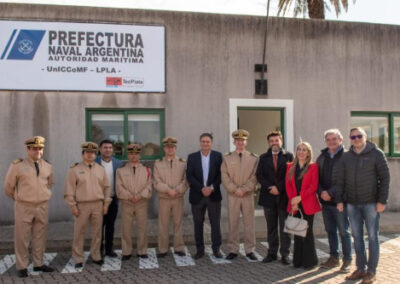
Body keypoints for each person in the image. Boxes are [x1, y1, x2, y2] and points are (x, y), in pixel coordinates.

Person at [336, 127, 390, 284]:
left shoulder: (376, 154)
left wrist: (382, 201)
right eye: (353, 137)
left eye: (359, 136)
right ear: (349, 139)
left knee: (373, 237)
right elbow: (340, 180)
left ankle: (371, 272)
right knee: (357, 237)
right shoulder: (346, 157)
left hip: (371, 203)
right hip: (352, 204)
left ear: (365, 137)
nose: (356, 139)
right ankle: (360, 268)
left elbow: (385, 178)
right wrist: (339, 200)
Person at [4, 136, 54, 278]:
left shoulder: (47, 166)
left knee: (40, 236)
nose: (38, 151)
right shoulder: (17, 165)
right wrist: (20, 198)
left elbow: (50, 183)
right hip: (24, 206)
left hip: (42, 206)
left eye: (40, 148)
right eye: (34, 148)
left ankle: (39, 264)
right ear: (28, 150)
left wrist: (44, 195)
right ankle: (22, 266)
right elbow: (8, 187)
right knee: (22, 237)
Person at [64, 142, 111, 268]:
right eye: (88, 152)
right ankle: (78, 258)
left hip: (98, 204)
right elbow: (69, 190)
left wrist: (106, 204)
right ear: (83, 154)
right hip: (82, 205)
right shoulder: (75, 169)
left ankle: (96, 255)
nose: (90, 155)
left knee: (97, 233)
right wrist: (73, 206)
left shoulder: (101, 169)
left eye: (93, 153)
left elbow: (107, 188)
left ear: (96, 154)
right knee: (79, 233)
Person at [316, 129, 352, 272]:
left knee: (344, 232)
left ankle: (347, 260)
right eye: (328, 139)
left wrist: (330, 193)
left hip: (340, 202)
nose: (331, 142)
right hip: (326, 202)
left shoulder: (348, 156)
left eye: (334, 139)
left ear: (340, 140)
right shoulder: (322, 156)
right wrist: (321, 192)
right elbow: (315, 178)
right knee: (330, 231)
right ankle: (334, 258)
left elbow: (347, 180)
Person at [256, 131, 293, 265]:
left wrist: (279, 187)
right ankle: (272, 253)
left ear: (281, 141)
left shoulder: (289, 156)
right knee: (271, 228)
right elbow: (259, 175)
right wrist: (270, 187)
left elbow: (290, 175)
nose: (274, 143)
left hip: (284, 197)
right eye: (271, 141)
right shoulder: (263, 157)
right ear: (269, 143)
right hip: (268, 197)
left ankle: (285, 255)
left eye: (276, 140)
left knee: (285, 228)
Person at [221, 129, 258, 260]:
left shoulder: (253, 158)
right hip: (233, 195)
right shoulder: (227, 157)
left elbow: (255, 177)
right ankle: (233, 249)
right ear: (234, 142)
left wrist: (245, 189)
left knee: (249, 223)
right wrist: (234, 189)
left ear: (246, 142)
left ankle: (250, 249)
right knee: (233, 222)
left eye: (242, 140)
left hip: (247, 195)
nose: (240, 142)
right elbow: (224, 176)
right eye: (237, 140)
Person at [186, 133, 223, 259]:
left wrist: (211, 187)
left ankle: (216, 249)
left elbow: (221, 175)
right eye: (203, 141)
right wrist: (201, 188)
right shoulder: (192, 157)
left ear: (211, 143)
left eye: (207, 141)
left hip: (213, 195)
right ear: (200, 142)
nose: (205, 143)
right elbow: (189, 176)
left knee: (215, 223)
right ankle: (200, 250)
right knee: (198, 223)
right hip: (197, 195)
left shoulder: (218, 156)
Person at [286, 141, 321, 269]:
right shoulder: (290, 166)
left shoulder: (313, 167)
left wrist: (300, 198)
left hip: (307, 203)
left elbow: (313, 186)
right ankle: (298, 261)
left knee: (307, 232)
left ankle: (309, 262)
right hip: (294, 203)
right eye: (299, 149)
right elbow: (288, 185)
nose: (301, 152)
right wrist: (293, 201)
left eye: (304, 150)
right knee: (297, 232)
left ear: (308, 153)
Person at [116, 144, 152, 260]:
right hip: (127, 203)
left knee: (142, 227)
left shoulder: (147, 170)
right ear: (128, 155)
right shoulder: (121, 171)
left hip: (141, 202)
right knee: (126, 228)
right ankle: (126, 251)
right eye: (131, 153)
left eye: (136, 154)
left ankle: (142, 250)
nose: (133, 156)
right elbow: (119, 186)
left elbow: (149, 185)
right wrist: (129, 196)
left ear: (139, 155)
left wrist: (140, 196)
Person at [153, 137, 188, 257]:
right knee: (163, 224)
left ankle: (179, 248)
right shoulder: (158, 163)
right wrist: (168, 190)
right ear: (164, 148)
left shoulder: (183, 163)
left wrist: (177, 190)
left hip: (178, 198)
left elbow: (185, 180)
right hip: (164, 198)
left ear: (175, 148)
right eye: (168, 147)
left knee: (178, 223)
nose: (170, 149)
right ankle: (163, 249)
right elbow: (156, 181)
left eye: (172, 147)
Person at [95, 139, 122, 258]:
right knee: (99, 226)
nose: (108, 150)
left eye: (110, 148)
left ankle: (109, 249)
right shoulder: (94, 162)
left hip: (112, 199)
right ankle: (98, 250)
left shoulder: (118, 163)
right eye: (105, 147)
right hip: (98, 200)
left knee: (110, 225)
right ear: (100, 149)